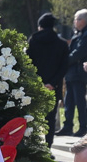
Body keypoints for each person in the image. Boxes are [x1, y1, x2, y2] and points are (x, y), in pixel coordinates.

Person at [26, 12, 69, 149]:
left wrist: (37, 82)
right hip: (53, 87)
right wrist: (52, 83)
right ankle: (47, 146)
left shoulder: (33, 41)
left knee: (31, 116)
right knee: (50, 119)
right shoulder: (61, 44)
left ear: (40, 26)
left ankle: (31, 146)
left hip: (35, 85)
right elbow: (64, 67)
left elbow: (28, 63)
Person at [58, 9, 87, 137]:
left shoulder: (86, 34)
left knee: (80, 102)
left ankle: (83, 127)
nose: (74, 22)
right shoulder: (79, 34)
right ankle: (68, 126)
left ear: (83, 21)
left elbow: (79, 53)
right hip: (72, 73)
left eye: (76, 19)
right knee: (69, 101)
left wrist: (65, 61)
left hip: (79, 74)